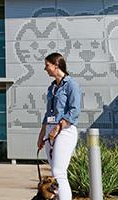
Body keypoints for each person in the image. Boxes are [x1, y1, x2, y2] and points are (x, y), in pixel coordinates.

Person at [36, 52, 82, 200]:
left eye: (47, 65)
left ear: (56, 65)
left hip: (64, 130)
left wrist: (57, 128)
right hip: (50, 130)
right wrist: (42, 133)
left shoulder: (71, 84)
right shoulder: (51, 87)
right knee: (56, 172)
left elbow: (74, 110)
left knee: (58, 172)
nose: (45, 69)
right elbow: (48, 112)